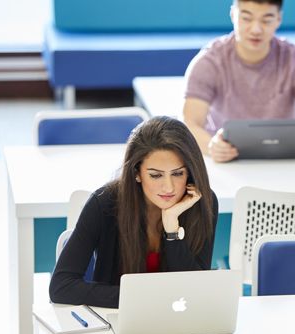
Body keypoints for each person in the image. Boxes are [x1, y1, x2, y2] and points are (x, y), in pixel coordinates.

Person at [49, 116, 218, 308]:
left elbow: (195, 289)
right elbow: (61, 287)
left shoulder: (201, 202)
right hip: (117, 321)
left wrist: (172, 231)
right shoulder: (104, 204)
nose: (169, 187)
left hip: (177, 322)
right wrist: (143, 299)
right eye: (156, 175)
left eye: (178, 173)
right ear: (136, 173)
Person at [183, 0, 295, 163]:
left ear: (278, 20)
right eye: (247, 19)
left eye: (266, 20)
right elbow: (189, 123)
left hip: (284, 159)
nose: (256, 30)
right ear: (233, 15)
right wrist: (211, 146)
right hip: (225, 159)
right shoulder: (208, 62)